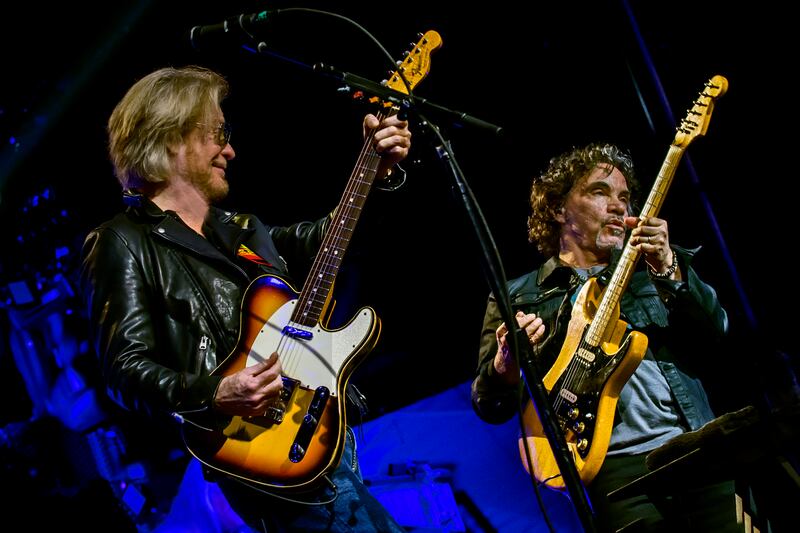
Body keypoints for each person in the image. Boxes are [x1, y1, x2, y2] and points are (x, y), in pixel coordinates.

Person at [80, 65, 411, 532]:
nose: (230, 150)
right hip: (259, 446)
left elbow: (330, 241)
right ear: (171, 136)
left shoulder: (241, 230)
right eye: (218, 133)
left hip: (323, 427)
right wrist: (215, 393)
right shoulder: (122, 241)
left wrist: (374, 172)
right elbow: (124, 367)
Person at [470, 143, 739, 532]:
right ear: (559, 209)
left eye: (625, 197)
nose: (619, 207)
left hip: (694, 445)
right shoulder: (515, 295)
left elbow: (718, 335)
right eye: (600, 192)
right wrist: (505, 365)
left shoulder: (653, 266)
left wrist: (669, 268)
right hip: (612, 471)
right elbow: (489, 405)